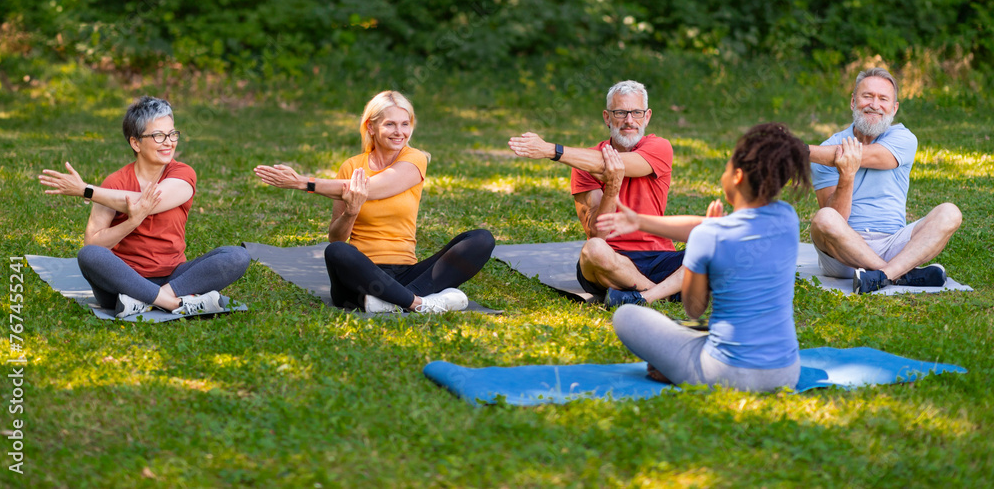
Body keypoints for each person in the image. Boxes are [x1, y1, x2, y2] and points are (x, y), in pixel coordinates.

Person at [603, 123, 810, 392]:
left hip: (722, 373)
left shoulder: (709, 237)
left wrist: (702, 252)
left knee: (626, 316)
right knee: (689, 332)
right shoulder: (787, 219)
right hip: (785, 373)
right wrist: (640, 220)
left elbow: (694, 308)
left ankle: (673, 368)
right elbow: (724, 226)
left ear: (736, 176)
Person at [254, 90, 494, 313]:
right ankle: (422, 303)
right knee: (337, 251)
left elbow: (370, 188)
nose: (399, 132)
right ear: (371, 127)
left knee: (481, 239)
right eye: (390, 124)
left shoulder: (415, 159)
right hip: (360, 277)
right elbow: (336, 237)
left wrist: (303, 183)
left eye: (405, 124)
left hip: (407, 273)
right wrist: (351, 212)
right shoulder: (351, 166)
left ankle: (402, 301)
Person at [38, 96, 252, 318]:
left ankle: (155, 300)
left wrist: (87, 191)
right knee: (89, 254)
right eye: (159, 136)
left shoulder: (182, 173)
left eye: (172, 134)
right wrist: (132, 221)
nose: (169, 142)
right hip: (123, 284)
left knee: (237, 256)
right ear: (135, 143)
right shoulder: (114, 183)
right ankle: (177, 303)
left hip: (175, 278)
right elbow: (94, 243)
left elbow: (151, 202)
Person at [508, 80, 684, 308]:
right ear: (607, 117)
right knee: (593, 249)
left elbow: (613, 164)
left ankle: (640, 294)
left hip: (660, 256)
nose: (629, 120)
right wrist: (611, 188)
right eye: (620, 112)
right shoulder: (583, 162)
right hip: (610, 259)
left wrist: (552, 150)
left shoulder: (659, 147)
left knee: (718, 248)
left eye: (636, 112)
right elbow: (598, 233)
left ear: (647, 116)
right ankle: (663, 293)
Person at [808, 67, 962, 294]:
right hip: (844, 254)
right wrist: (847, 176)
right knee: (823, 219)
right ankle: (902, 274)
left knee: (950, 213)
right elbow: (835, 219)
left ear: (894, 108)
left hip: (894, 245)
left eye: (883, 99)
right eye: (867, 96)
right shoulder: (824, 150)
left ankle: (882, 276)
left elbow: (869, 156)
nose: (875, 105)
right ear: (853, 102)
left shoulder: (903, 138)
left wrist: (801, 150)